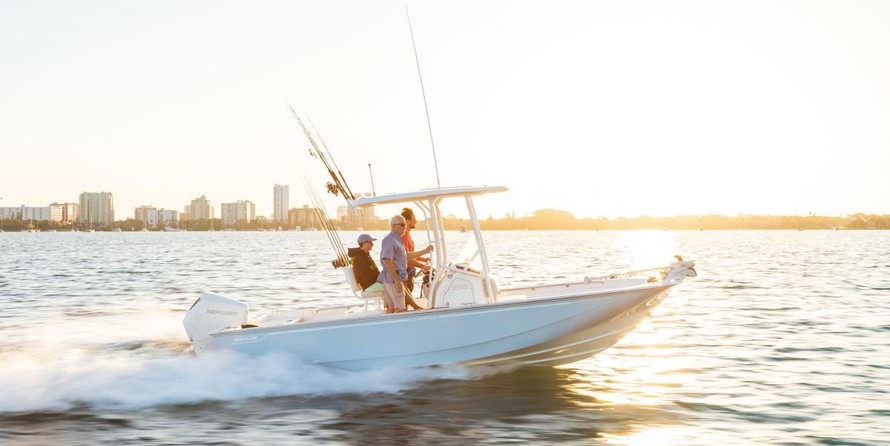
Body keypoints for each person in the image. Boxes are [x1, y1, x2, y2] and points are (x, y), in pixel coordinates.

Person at [378, 214, 433, 313]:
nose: (405, 227)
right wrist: (397, 281)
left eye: (405, 225)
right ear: (394, 226)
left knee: (391, 308)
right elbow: (387, 260)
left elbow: (406, 256)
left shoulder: (398, 239)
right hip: (392, 279)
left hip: (394, 278)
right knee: (400, 309)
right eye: (402, 225)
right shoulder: (390, 240)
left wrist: (424, 251)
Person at [400, 207, 431, 294]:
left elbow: (411, 254)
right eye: (414, 219)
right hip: (406, 274)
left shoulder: (408, 236)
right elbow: (406, 259)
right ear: (407, 221)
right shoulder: (403, 237)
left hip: (410, 274)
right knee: (406, 300)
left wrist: (422, 259)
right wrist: (422, 266)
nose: (416, 221)